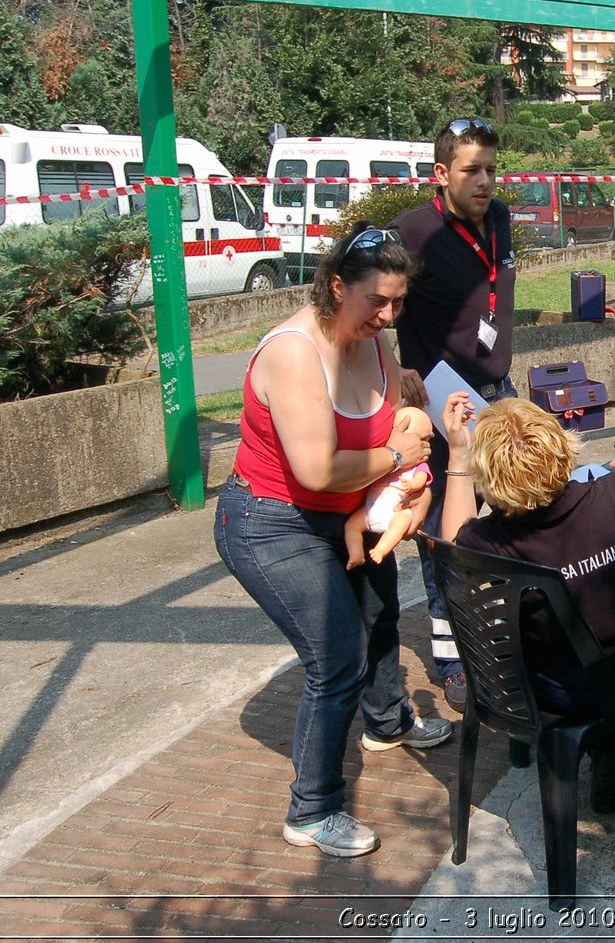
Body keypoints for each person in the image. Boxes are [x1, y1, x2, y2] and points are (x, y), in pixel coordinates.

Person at [213, 226, 453, 860]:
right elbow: (317, 470)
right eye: (376, 300)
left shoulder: (374, 340)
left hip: (343, 515)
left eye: (398, 302)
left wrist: (408, 416)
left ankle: (388, 722)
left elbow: (387, 408)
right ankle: (313, 809)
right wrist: (398, 452)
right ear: (336, 285)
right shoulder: (294, 354)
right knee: (336, 658)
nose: (388, 314)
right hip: (271, 521)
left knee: (379, 618)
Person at [438, 396, 615, 811]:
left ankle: (607, 751)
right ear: (562, 445)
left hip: (557, 690)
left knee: (581, 646)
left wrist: (457, 450)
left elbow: (454, 543)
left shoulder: (489, 542)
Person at [387, 118, 516, 710]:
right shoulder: (412, 232)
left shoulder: (500, 220)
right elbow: (370, 306)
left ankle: (506, 630)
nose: (485, 180)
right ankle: (453, 659)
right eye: (471, 171)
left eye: (491, 168)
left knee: (514, 512)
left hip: (496, 390)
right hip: (443, 403)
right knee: (443, 530)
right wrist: (397, 374)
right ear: (441, 175)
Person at [343, 405, 434, 569]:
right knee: (351, 526)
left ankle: (382, 548)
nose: (422, 446)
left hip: (396, 510)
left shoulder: (417, 466)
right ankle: (356, 553)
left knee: (401, 522)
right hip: (369, 509)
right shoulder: (384, 457)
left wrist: (412, 485)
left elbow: (422, 479)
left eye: (426, 440)